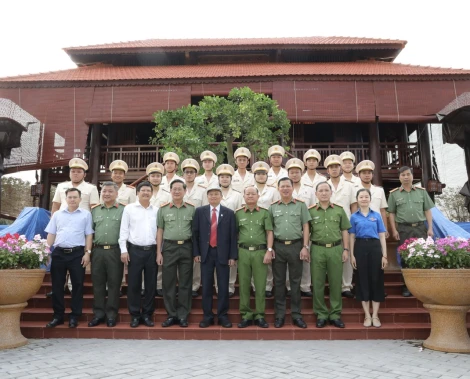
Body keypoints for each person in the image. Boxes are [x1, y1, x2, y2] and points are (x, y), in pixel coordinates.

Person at [45, 187, 93, 328]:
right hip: (59, 253)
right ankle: (58, 316)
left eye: (75, 197)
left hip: (77, 253)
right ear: (66, 199)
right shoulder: (57, 215)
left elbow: (89, 234)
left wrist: (87, 252)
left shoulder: (86, 215)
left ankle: (74, 316)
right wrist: (47, 252)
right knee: (57, 285)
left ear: (80, 199)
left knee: (77, 285)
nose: (72, 199)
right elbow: (51, 234)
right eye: (70, 197)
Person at [193, 183, 237, 328]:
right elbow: (195, 234)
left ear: (221, 196)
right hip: (206, 253)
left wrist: (232, 256)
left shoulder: (229, 213)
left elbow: (232, 236)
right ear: (207, 197)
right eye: (210, 194)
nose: (213, 196)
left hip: (223, 253)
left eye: (216, 194)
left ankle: (223, 316)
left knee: (223, 286)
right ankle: (207, 316)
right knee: (206, 286)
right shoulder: (200, 211)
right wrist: (197, 252)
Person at [269, 177, 311, 329]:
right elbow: (270, 230)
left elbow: (306, 226)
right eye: (282, 187)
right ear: (278, 189)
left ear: (293, 188)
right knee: (279, 282)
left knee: (295, 282)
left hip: (296, 246)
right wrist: (270, 248)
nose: (285, 189)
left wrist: (305, 246)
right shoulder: (273, 207)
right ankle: (279, 315)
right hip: (278, 247)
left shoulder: (300, 205)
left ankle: (296, 315)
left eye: (288, 186)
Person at [309, 182, 351, 329]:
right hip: (317, 249)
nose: (324, 193)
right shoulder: (311, 211)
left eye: (326, 190)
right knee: (318, 283)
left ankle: (335, 314)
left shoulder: (339, 210)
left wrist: (346, 249)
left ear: (331, 193)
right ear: (316, 194)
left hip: (335, 249)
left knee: (335, 283)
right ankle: (321, 314)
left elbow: (345, 230)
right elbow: (306, 232)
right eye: (321, 191)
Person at [388, 166, 435, 297]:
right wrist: (394, 230)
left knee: (423, 255)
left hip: (420, 228)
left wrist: (430, 228)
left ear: (412, 176)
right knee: (405, 257)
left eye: (408, 174)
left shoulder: (421, 192)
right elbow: (391, 213)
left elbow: (427, 210)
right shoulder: (394, 194)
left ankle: (423, 285)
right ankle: (407, 286)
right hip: (404, 229)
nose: (406, 177)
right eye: (403, 175)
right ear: (399, 177)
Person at [119, 181, 159, 328]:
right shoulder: (129, 209)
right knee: (134, 285)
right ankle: (135, 315)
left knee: (150, 284)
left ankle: (147, 314)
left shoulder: (156, 210)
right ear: (137, 192)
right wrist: (123, 249)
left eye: (149, 190)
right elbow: (123, 230)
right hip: (134, 250)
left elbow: (161, 231)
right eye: (143, 190)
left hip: (152, 251)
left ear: (152, 193)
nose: (146, 193)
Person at [157, 179, 195, 328]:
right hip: (169, 248)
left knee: (185, 283)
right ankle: (171, 314)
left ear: (185, 191)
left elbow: (195, 231)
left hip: (187, 247)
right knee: (169, 282)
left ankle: (183, 315)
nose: (177, 191)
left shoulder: (192, 209)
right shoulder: (163, 209)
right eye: (174, 189)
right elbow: (160, 231)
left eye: (180, 189)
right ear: (170, 191)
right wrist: (159, 252)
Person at [349, 188, 388, 328]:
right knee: (362, 279)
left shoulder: (376, 215)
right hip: (360, 247)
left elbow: (382, 235)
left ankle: (375, 315)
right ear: (357, 200)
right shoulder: (354, 217)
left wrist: (384, 255)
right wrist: (352, 255)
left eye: (366, 197)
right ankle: (367, 315)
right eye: (361, 197)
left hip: (375, 247)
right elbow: (352, 236)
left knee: (376, 279)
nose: (364, 199)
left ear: (370, 199)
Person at [236, 186, 273, 328]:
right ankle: (245, 314)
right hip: (243, 252)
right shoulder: (238, 214)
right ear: (243, 196)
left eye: (253, 194)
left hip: (260, 252)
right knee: (244, 284)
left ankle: (259, 315)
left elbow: (269, 232)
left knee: (260, 284)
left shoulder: (264, 213)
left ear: (258, 196)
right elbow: (235, 234)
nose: (250, 196)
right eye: (248, 194)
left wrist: (269, 250)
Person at [89, 182, 125, 328]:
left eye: (110, 191)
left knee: (114, 284)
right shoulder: (95, 211)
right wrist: (88, 252)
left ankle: (111, 315)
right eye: (104, 191)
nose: (107, 194)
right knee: (97, 284)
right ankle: (98, 314)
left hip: (115, 251)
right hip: (97, 251)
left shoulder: (123, 210)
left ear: (116, 194)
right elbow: (90, 233)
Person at [325, 154, 358, 299]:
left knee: (347, 254)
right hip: (327, 226)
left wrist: (355, 226)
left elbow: (354, 207)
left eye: (336, 167)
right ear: (327, 170)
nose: (334, 169)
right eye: (331, 167)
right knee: (328, 256)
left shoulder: (349, 186)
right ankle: (331, 284)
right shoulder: (323, 186)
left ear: (340, 168)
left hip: (346, 226)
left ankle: (346, 285)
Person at [286, 158, 316, 298]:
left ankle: (305, 286)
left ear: (301, 172)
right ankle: (289, 286)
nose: (294, 175)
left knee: (305, 258)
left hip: (305, 228)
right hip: (288, 229)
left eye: (297, 172)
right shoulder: (284, 189)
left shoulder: (309, 190)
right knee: (288, 261)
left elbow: (314, 209)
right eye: (292, 172)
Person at [250, 161, 280, 298]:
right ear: (254, 175)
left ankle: (267, 286)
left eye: (263, 174)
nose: (261, 176)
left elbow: (276, 209)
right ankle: (254, 285)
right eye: (258, 174)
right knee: (253, 259)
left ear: (267, 176)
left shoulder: (273, 191)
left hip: (269, 227)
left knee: (267, 257)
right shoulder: (249, 190)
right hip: (253, 227)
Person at [181, 158, 208, 298]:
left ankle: (195, 285)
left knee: (196, 257)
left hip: (197, 227)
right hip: (181, 226)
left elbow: (204, 210)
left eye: (192, 172)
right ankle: (182, 284)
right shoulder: (178, 187)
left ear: (196, 174)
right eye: (187, 172)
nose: (189, 174)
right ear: (183, 174)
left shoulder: (202, 190)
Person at [217, 164, 243, 297]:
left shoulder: (237, 195)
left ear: (231, 179)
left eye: (227, 177)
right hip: (215, 232)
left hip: (232, 231)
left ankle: (230, 286)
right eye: (222, 177)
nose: (225, 179)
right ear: (218, 179)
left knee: (232, 259)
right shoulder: (214, 194)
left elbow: (239, 213)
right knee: (217, 260)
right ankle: (217, 286)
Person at [146, 162, 171, 297]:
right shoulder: (143, 191)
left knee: (160, 256)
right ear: (148, 177)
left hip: (162, 229)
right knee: (146, 257)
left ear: (161, 178)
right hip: (146, 229)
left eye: (158, 176)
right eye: (153, 176)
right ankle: (145, 285)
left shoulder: (167, 194)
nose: (155, 178)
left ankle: (159, 284)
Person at [356, 160, 389, 237]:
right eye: (364, 173)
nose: (367, 175)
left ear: (372, 175)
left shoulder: (379, 190)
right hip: (361, 226)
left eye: (369, 173)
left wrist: (385, 228)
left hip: (377, 226)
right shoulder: (354, 189)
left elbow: (382, 210)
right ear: (359, 175)